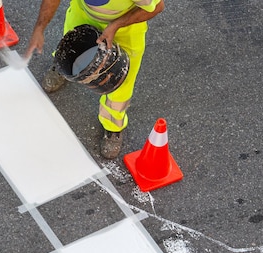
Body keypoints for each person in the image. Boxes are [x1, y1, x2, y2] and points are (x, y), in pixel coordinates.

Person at [25, 0, 165, 159]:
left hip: (125, 29)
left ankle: (112, 124)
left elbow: (157, 7)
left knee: (120, 82)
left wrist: (115, 25)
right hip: (83, 13)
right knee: (72, 44)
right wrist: (39, 28)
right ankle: (63, 67)